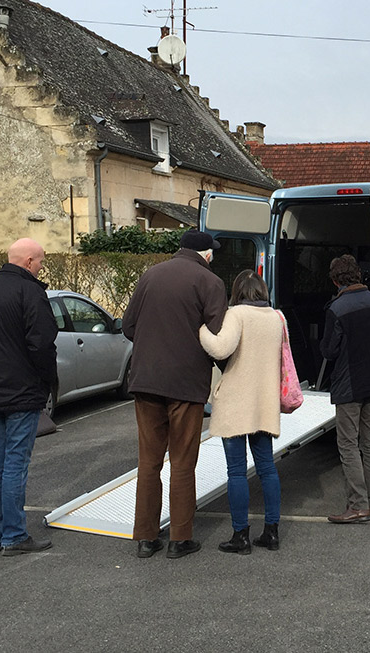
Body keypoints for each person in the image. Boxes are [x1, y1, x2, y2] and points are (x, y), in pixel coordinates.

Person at [123, 229, 228, 560]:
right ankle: (180, 538)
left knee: (149, 462)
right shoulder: (209, 282)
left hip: (146, 381)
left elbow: (128, 326)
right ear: (206, 253)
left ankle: (145, 537)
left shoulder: (150, 275)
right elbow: (218, 335)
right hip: (186, 384)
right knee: (183, 461)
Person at [0, 238, 58, 556]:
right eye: (41, 262)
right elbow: (42, 343)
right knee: (15, 464)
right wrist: (47, 382)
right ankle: (15, 535)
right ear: (30, 261)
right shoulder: (31, 292)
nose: (41, 267)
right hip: (22, 392)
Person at [199, 270, 284, 555]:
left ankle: (241, 536)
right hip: (264, 401)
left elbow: (221, 349)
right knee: (267, 468)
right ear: (262, 291)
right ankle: (271, 532)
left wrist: (201, 329)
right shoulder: (276, 317)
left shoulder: (236, 314)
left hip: (236, 402)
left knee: (236, 472)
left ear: (237, 292)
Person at [320, 255, 370, 524]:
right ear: (359, 275)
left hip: (349, 383)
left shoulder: (337, 308)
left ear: (335, 280)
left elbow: (329, 350)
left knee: (347, 443)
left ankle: (357, 505)